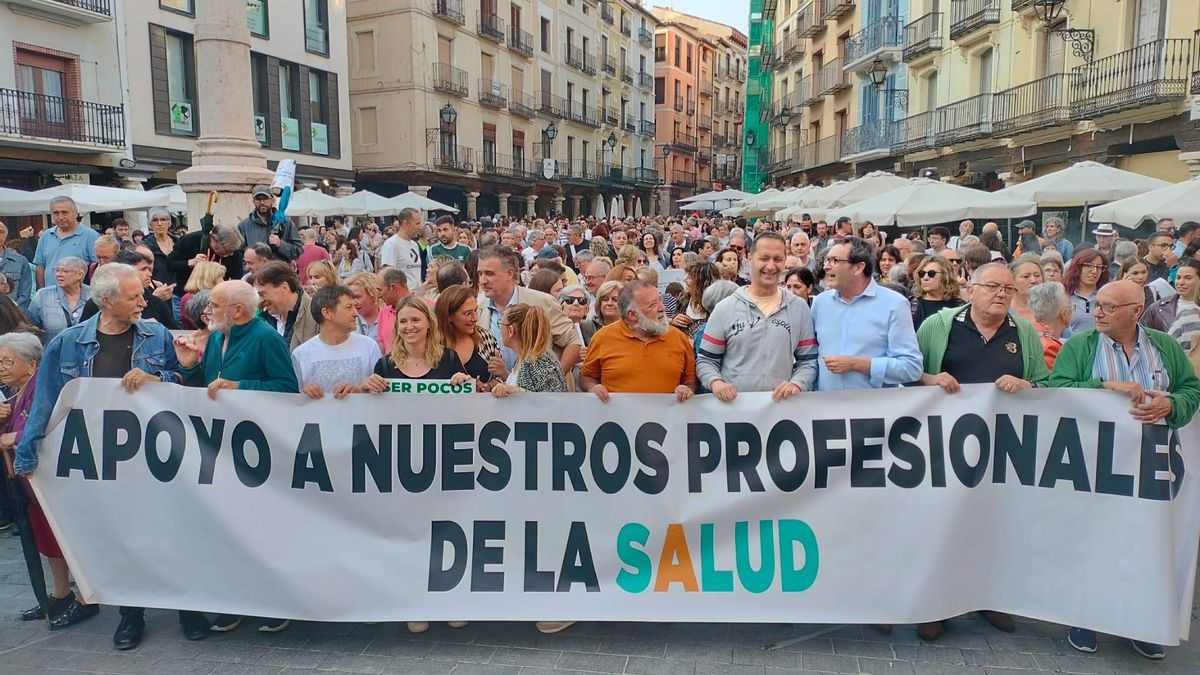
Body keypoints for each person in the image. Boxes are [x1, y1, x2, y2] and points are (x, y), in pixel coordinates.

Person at [14, 263, 209, 649]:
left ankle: (189, 606)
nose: (143, 301)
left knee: (173, 529)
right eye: (134, 296)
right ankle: (131, 613)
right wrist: (29, 450)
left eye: (142, 293)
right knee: (123, 537)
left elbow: (182, 383)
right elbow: (46, 403)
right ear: (106, 301)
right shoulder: (67, 344)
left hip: (157, 457)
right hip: (102, 462)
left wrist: (163, 378)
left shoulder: (156, 336)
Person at [1049, 279, 1200, 661]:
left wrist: (1171, 408)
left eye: (1108, 307)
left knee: (1145, 542)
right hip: (1096, 464)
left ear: (1136, 311)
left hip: (1151, 464)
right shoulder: (1080, 346)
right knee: (1094, 537)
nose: (1097, 312)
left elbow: (1190, 390)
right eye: (1096, 305)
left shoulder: (1163, 346)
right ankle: (1085, 616)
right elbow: (1059, 388)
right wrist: (1102, 387)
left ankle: (1140, 623)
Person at [174, 279, 298, 634]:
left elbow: (287, 387)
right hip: (221, 446)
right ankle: (237, 599)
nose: (206, 311)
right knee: (229, 528)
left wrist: (240, 387)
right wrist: (189, 368)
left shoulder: (265, 338)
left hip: (257, 447)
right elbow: (208, 386)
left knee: (262, 528)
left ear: (238, 310)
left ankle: (274, 601)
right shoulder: (215, 336)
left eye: (213, 305)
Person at [0, 331, 95, 630]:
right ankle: (59, 593)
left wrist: (14, 436)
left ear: (31, 365)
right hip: (30, 487)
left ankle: (86, 597)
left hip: (54, 482)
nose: (1, 367)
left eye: (7, 361)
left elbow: (57, 428)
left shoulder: (44, 387)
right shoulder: (12, 392)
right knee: (46, 540)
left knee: (70, 539)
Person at [697, 232, 817, 401]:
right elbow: (706, 360)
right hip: (735, 411)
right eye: (764, 258)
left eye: (777, 259)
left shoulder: (799, 308)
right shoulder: (725, 308)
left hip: (782, 411)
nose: (770, 266)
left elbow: (808, 361)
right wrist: (716, 383)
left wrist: (797, 384)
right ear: (750, 259)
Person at [812, 237, 922, 391]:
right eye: (827, 260)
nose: (826, 266)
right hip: (826, 409)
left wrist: (858, 364)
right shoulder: (820, 303)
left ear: (858, 268)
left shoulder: (894, 304)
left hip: (874, 410)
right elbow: (810, 359)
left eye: (834, 260)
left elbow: (911, 367)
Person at [476, 246, 581, 386]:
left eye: (489, 274)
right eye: (480, 274)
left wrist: (552, 382)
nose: (483, 280)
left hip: (542, 401)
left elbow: (573, 342)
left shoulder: (542, 302)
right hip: (499, 398)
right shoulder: (478, 305)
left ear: (509, 273)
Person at [580, 280, 695, 403]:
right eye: (652, 305)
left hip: (666, 420)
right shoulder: (602, 338)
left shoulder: (678, 338)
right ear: (632, 315)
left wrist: (686, 389)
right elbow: (587, 377)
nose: (662, 308)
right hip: (618, 419)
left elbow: (690, 381)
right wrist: (593, 388)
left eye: (660, 300)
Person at [291, 285, 381, 400]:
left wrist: (359, 390)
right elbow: (294, 400)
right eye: (349, 307)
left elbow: (381, 392)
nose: (356, 313)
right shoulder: (301, 354)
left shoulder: (369, 346)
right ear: (327, 313)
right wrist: (305, 392)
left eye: (355, 307)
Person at [491, 304, 568, 397]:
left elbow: (552, 399)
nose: (500, 329)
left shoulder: (538, 360)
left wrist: (516, 391)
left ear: (510, 331)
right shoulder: (525, 357)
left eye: (501, 324)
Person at [32, 196, 100, 289]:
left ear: (76, 213)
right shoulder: (46, 235)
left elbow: (97, 267)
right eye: (56, 213)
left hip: (79, 296)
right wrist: (41, 291)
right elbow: (40, 266)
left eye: (64, 212)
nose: (60, 217)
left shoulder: (90, 236)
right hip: (50, 296)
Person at [435, 284, 497, 386]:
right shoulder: (431, 343)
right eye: (468, 313)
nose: (475, 318)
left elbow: (499, 380)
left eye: (476, 310)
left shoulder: (484, 337)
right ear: (449, 316)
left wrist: (488, 386)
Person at [251, 261, 319, 352]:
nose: (260, 301)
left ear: (284, 288)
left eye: (262, 294)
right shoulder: (261, 319)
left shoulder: (317, 316)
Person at [168, 222, 245, 295]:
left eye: (232, 251)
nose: (230, 254)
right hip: (185, 293)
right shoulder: (190, 240)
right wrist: (189, 263)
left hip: (217, 295)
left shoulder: (234, 252)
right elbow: (169, 264)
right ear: (215, 239)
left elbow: (237, 279)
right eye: (227, 250)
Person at [28, 256, 90, 345]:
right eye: (57, 270)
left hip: (86, 355)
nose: (58, 274)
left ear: (79, 275)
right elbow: (31, 328)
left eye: (65, 271)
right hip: (52, 354)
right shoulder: (42, 295)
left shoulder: (93, 296)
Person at [238, 185, 302, 261]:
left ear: (273, 200)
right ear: (253, 201)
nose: (262, 202)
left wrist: (281, 245)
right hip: (256, 272)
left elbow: (298, 251)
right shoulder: (244, 226)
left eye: (265, 198)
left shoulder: (286, 223)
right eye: (258, 199)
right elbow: (239, 254)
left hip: (279, 271)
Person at [1064, 248, 1110, 335]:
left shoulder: (1108, 297)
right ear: (1078, 267)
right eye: (1089, 266)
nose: (1094, 271)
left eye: (1099, 267)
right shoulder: (1065, 296)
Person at [910, 255, 964, 329]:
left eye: (931, 274)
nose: (925, 278)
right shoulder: (912, 306)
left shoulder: (960, 307)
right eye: (922, 274)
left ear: (945, 276)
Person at [1027, 282, 1072, 370]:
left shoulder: (1028, 333)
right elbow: (1056, 382)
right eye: (1071, 307)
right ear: (1064, 314)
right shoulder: (1050, 348)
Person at [379, 208, 424, 289]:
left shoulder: (415, 245)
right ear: (406, 224)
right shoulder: (392, 243)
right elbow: (388, 274)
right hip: (403, 298)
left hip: (416, 296)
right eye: (417, 223)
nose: (420, 227)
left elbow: (415, 273)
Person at [178, 261, 225, 330]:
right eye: (220, 277)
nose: (223, 281)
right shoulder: (203, 299)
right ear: (210, 278)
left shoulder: (186, 297)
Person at [0, 222, 32, 308]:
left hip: (13, 315)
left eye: (1, 232)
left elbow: (25, 293)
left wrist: (14, 311)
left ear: (6, 235)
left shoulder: (20, 261)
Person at [346, 271, 384, 343]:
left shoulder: (388, 318)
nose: (354, 302)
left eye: (358, 297)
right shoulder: (346, 321)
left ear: (373, 295)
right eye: (351, 298)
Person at [1008, 255, 1044, 324]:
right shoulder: (1004, 310)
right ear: (1012, 281)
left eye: (1037, 275)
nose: (1033, 280)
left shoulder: (1051, 307)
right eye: (1026, 276)